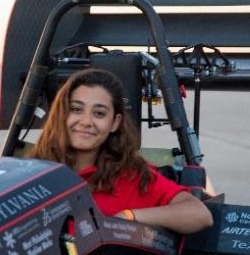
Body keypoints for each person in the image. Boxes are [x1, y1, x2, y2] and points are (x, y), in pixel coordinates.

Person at [28, 68, 212, 234]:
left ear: (114, 122)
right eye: (76, 109)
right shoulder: (30, 173)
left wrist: (127, 217)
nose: (86, 121)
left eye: (99, 113)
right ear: (62, 114)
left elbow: (199, 214)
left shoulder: (133, 176)